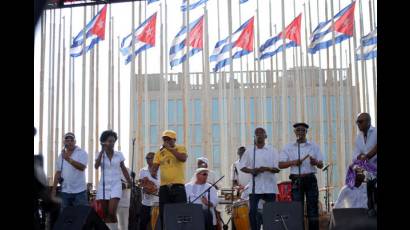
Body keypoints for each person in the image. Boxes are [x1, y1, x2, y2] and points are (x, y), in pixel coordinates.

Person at [279, 122, 324, 230]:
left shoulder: (314, 146)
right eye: (298, 130)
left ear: (306, 132)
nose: (300, 132)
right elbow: (280, 164)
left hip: (310, 179)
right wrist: (293, 162)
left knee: (313, 209)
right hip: (296, 180)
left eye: (303, 130)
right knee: (297, 210)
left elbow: (321, 165)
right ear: (294, 132)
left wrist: (315, 162)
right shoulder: (288, 147)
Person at [239, 127, 280, 230]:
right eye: (257, 133)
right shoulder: (249, 151)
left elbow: (277, 169)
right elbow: (242, 166)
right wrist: (252, 171)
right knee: (252, 212)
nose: (259, 135)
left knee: (271, 212)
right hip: (255, 187)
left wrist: (266, 168)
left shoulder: (273, 150)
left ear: (265, 136)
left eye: (261, 133)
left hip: (270, 186)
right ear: (254, 137)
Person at [95, 130, 132, 230]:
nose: (111, 143)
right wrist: (102, 152)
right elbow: (96, 166)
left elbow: (123, 168)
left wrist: (129, 181)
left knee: (112, 212)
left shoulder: (119, 154)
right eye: (109, 141)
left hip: (116, 185)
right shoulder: (100, 154)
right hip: (103, 186)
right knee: (106, 214)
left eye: (113, 141)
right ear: (103, 142)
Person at [151, 130, 188, 229]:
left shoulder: (180, 148)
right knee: (164, 214)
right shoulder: (159, 152)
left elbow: (183, 158)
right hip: (164, 187)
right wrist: (153, 171)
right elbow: (155, 166)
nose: (166, 141)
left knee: (180, 213)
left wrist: (170, 149)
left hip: (178, 186)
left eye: (168, 139)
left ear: (174, 140)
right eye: (164, 139)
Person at [52, 132, 89, 211]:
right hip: (65, 191)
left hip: (80, 191)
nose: (69, 142)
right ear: (64, 143)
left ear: (75, 142)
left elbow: (82, 167)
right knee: (65, 217)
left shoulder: (81, 152)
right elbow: (58, 172)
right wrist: (54, 189)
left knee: (81, 216)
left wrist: (68, 159)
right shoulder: (61, 156)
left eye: (71, 140)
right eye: (67, 140)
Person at [353, 112, 377, 216]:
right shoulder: (358, 137)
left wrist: (366, 156)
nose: (358, 124)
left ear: (368, 121)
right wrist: (360, 157)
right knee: (369, 199)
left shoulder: (376, 132)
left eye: (360, 121)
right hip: (367, 172)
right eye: (357, 122)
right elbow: (356, 155)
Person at [139, 152, 160, 230]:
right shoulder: (142, 170)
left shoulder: (160, 170)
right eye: (147, 158)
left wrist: (153, 188)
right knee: (143, 223)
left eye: (150, 158)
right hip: (146, 201)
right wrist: (145, 188)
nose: (148, 160)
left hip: (157, 201)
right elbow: (140, 184)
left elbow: (161, 184)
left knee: (156, 224)